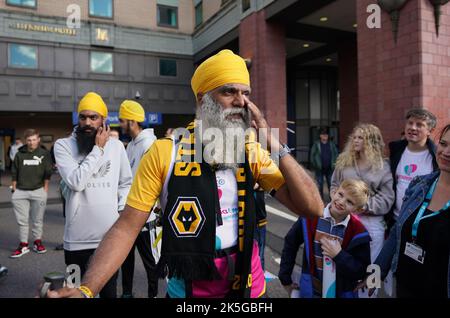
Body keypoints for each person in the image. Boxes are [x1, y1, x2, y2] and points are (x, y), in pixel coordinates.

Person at [47, 49, 323, 299]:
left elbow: (312, 208)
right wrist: (86, 290)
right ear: (203, 99)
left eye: (246, 93)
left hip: (249, 289)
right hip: (187, 292)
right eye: (229, 92)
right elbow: (126, 227)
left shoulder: (250, 151)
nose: (242, 101)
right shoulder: (164, 152)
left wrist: (274, 145)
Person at [53, 92, 133, 298]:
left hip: (108, 240)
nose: (87, 122)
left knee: (108, 293)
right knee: (73, 293)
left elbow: (126, 182)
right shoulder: (63, 146)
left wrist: (120, 211)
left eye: (93, 117)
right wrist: (97, 149)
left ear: (103, 120)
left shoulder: (116, 146)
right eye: (83, 117)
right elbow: (76, 182)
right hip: (76, 241)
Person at [368, 124, 450, 298]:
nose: (446, 152)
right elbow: (398, 230)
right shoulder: (420, 184)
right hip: (405, 285)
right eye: (443, 143)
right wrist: (375, 273)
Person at [279, 179, 371, 298]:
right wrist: (285, 278)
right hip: (311, 288)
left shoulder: (358, 232)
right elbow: (291, 243)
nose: (341, 202)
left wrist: (339, 255)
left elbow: (361, 269)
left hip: (341, 292)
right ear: (334, 191)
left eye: (349, 202)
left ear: (357, 210)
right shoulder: (311, 216)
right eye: (340, 194)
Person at [331, 124, 394, 264]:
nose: (356, 140)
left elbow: (387, 198)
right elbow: (334, 184)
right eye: (355, 137)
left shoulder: (383, 167)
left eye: (361, 138)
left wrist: (360, 205)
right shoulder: (344, 160)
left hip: (371, 222)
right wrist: (339, 201)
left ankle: (371, 286)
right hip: (343, 218)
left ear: (372, 141)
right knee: (343, 261)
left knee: (371, 267)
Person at [118, 99, 158, 298]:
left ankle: (153, 294)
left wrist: (148, 211)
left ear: (132, 121)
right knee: (126, 257)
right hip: (128, 211)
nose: (120, 124)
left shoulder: (149, 144)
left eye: (122, 120)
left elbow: (153, 181)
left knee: (149, 260)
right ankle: (126, 293)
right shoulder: (131, 145)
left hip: (144, 214)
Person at [387, 109, 438, 229]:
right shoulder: (395, 150)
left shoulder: (436, 157)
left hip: (420, 223)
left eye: (419, 125)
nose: (413, 128)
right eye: (410, 123)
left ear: (430, 131)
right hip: (395, 220)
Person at [10, 129, 53, 258]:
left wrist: (45, 188)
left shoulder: (44, 153)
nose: (32, 142)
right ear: (25, 141)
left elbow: (48, 172)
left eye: (34, 139)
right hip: (20, 192)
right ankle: (23, 245)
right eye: (29, 140)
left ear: (38, 139)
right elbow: (14, 171)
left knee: (37, 220)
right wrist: (14, 188)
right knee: (22, 221)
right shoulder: (19, 154)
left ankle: (37, 242)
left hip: (38, 191)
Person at [310, 127, 339, 200]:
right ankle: (320, 200)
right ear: (320, 136)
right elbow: (312, 155)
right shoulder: (316, 144)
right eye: (323, 135)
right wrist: (315, 164)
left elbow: (336, 154)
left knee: (331, 184)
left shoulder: (331, 144)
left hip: (330, 168)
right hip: (319, 168)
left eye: (326, 135)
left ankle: (332, 199)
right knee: (319, 184)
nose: (325, 136)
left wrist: (335, 164)